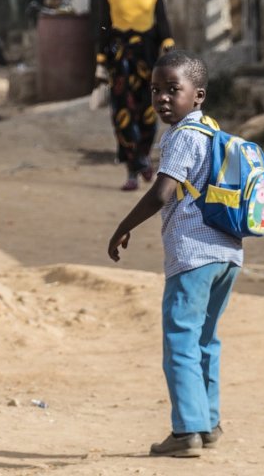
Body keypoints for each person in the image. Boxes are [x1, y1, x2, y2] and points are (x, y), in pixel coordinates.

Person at [106, 50, 242, 458]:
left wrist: (123, 226)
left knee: (180, 340)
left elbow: (162, 193)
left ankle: (186, 432)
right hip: (227, 254)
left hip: (193, 256)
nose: (162, 98)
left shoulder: (182, 136)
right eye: (155, 90)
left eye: (172, 90)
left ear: (197, 96)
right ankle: (209, 423)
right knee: (205, 339)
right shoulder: (213, 131)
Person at [95, 0, 176, 191]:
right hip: (120, 57)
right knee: (122, 112)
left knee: (149, 110)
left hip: (148, 55)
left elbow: (161, 18)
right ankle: (133, 169)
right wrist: (100, 59)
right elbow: (104, 25)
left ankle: (143, 157)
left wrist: (169, 46)